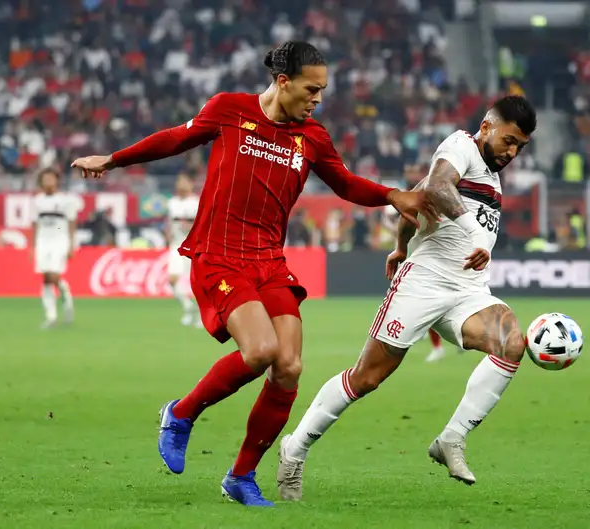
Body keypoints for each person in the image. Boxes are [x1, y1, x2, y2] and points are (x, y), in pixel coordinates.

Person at [70, 41, 436, 507]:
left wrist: (391, 195)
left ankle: (241, 476)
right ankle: (180, 414)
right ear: (283, 82)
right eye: (311, 88)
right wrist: (114, 159)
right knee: (261, 350)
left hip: (269, 261)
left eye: (322, 90)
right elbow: (174, 138)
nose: (317, 98)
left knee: (289, 367)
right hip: (219, 254)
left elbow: (344, 183)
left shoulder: (312, 137)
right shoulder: (229, 110)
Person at [277, 95, 537, 501]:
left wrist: (400, 245)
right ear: (487, 126)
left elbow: (417, 196)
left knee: (511, 344)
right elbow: (434, 185)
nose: (512, 151)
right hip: (426, 282)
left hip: (468, 290)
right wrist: (466, 236)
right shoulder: (461, 146)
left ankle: (451, 439)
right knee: (367, 377)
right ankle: (294, 450)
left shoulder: (491, 174)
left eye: (520, 146)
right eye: (509, 140)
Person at [30, 168, 77, 329]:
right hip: (43, 240)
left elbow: (71, 223)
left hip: (60, 239)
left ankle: (66, 298)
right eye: (45, 179)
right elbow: (34, 225)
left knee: (53, 275)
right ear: (41, 182)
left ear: (57, 180)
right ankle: (51, 316)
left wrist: (71, 244)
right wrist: (32, 247)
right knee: (46, 277)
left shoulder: (65, 200)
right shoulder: (37, 201)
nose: (48, 181)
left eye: (51, 178)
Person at [166, 173, 200, 326]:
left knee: (197, 283)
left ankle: (201, 315)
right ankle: (187, 306)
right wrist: (168, 234)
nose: (181, 186)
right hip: (176, 245)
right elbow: (169, 220)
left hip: (192, 245)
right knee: (172, 280)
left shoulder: (195, 202)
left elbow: (200, 222)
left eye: (184, 183)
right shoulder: (172, 202)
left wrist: (190, 226)